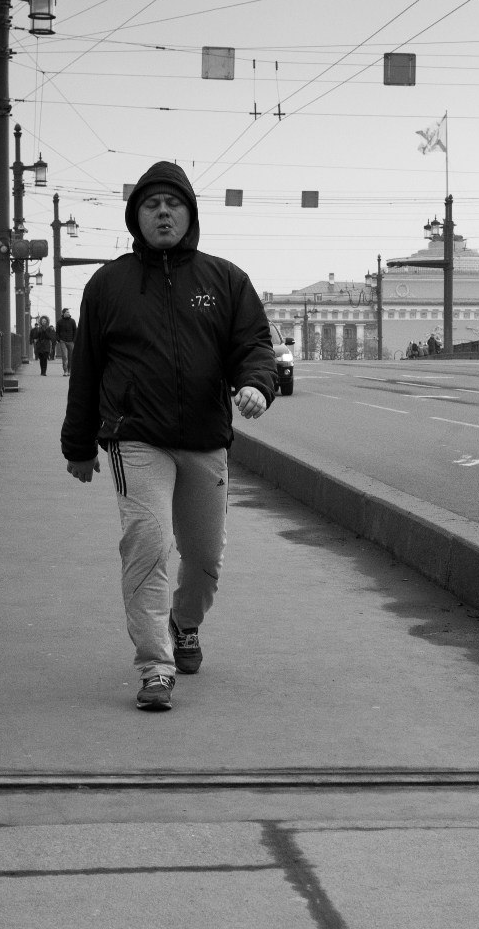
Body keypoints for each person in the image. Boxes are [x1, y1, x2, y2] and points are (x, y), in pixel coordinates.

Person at [60, 161, 276, 712]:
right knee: (148, 545)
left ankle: (184, 622)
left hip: (205, 438)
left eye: (173, 204)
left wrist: (256, 383)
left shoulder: (225, 280)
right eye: (151, 205)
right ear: (136, 217)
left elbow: (253, 345)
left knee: (204, 557)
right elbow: (86, 368)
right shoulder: (108, 285)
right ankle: (155, 666)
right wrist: (79, 445)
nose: (162, 213)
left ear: (190, 214)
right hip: (136, 438)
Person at [56, 308, 78, 376]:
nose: (68, 313)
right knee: (64, 356)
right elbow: (57, 332)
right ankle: (65, 371)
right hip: (63, 341)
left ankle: (69, 371)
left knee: (71, 357)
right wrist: (59, 339)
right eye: (67, 312)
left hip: (71, 341)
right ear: (63, 313)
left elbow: (75, 331)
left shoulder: (72, 321)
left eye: (68, 312)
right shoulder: (59, 322)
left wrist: (74, 340)